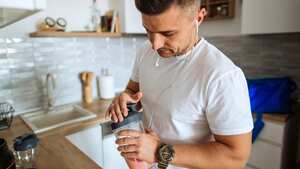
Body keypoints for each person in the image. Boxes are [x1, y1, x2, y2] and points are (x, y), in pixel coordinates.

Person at [106, 0, 254, 169]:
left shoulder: (222, 76)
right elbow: (132, 90)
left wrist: (158, 151)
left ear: (198, 18)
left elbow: (235, 158)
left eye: (168, 33)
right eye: (148, 30)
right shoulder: (145, 52)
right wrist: (125, 98)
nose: (155, 44)